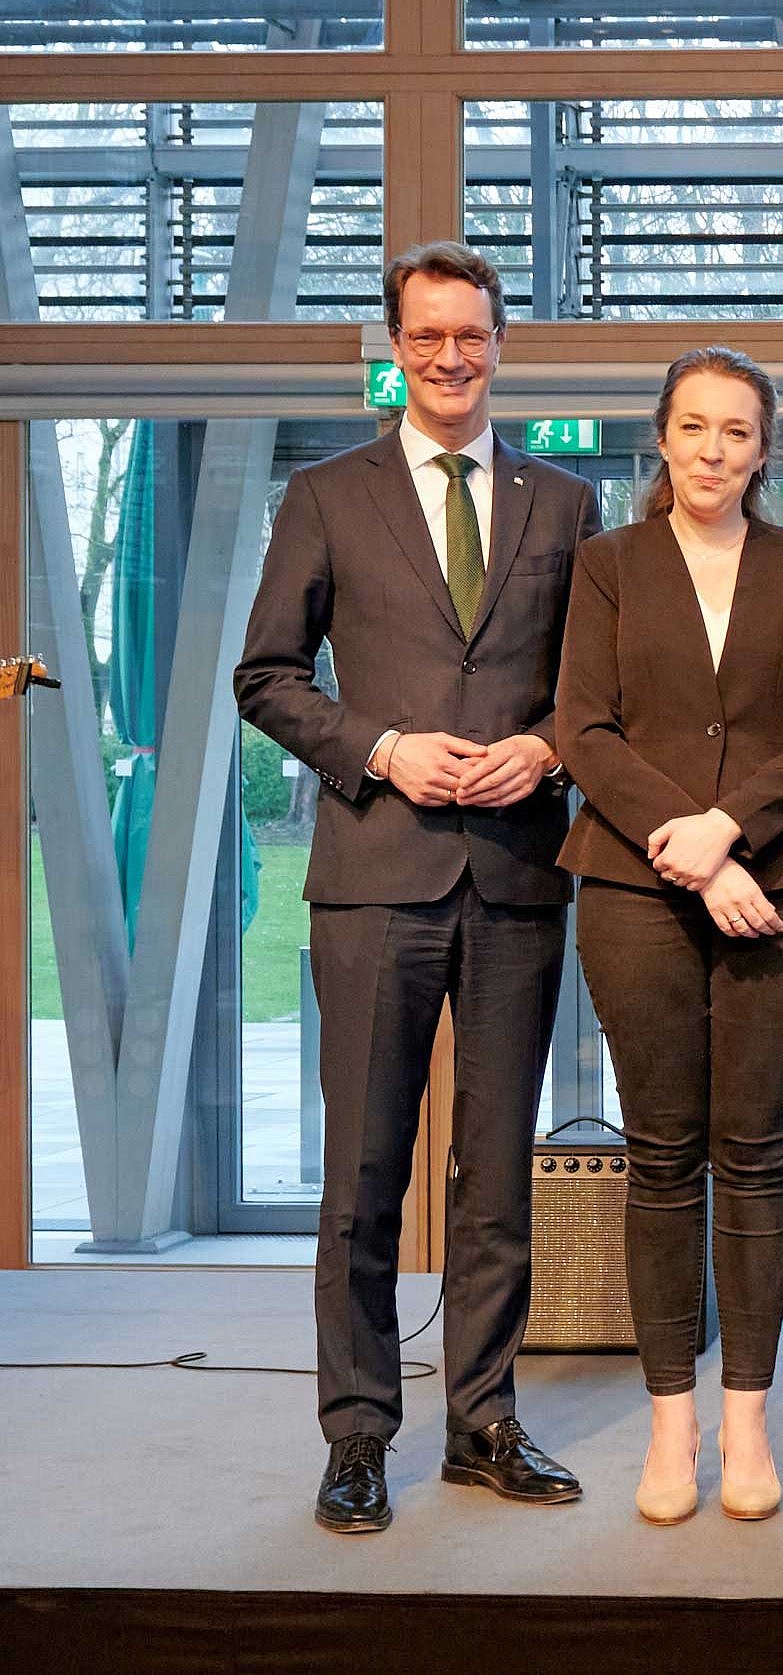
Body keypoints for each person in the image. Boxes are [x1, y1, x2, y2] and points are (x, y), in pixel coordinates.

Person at [234, 241, 602, 1534]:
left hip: (512, 878)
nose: (453, 356)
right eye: (429, 337)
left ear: (502, 345)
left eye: (473, 335)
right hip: (376, 873)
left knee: (496, 1175)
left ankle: (486, 1419)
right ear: (396, 352)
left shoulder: (563, 503)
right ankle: (357, 1432)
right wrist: (382, 746)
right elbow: (267, 674)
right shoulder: (328, 495)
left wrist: (548, 743)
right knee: (363, 1174)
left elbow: (592, 686)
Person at [553, 348, 783, 1525]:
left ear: (763, 450)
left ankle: (747, 1421)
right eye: (694, 427)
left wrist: (730, 830)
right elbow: (583, 724)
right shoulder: (608, 566)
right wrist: (687, 844)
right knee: (665, 1155)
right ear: (663, 441)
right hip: (632, 889)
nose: (714, 450)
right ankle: (671, 1425)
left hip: (779, 883)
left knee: (758, 1152)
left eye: (737, 431)